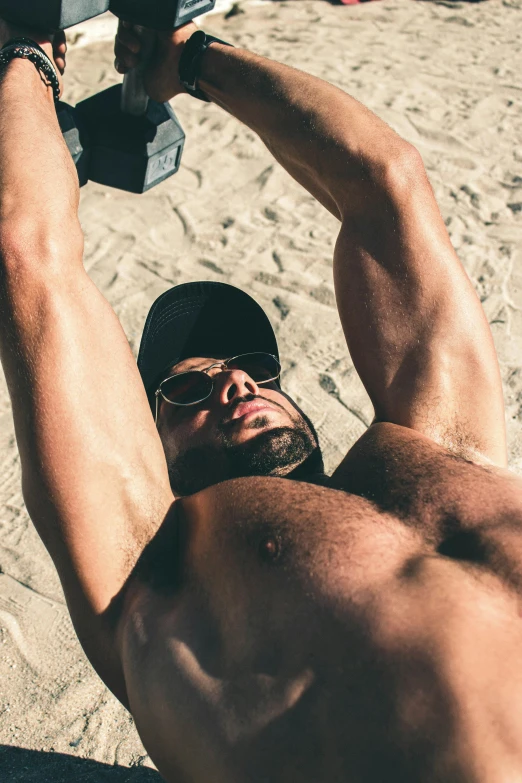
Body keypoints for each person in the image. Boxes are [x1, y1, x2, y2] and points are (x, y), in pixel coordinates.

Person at [0, 13, 519, 783]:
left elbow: (387, 181)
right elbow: (31, 253)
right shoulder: (151, 570)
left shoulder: (441, 441)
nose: (235, 380)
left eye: (250, 365)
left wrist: (195, 60)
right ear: (143, 440)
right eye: (187, 387)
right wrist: (29, 59)